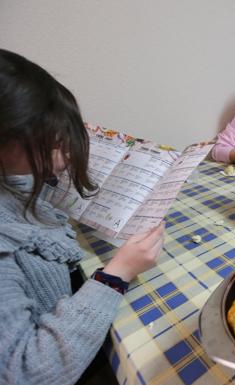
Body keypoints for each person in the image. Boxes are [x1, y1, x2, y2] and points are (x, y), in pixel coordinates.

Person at [0, 49, 164, 385]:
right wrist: (118, 273)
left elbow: (23, 188)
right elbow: (25, 371)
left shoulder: (11, 178)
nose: (65, 157)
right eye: (54, 143)